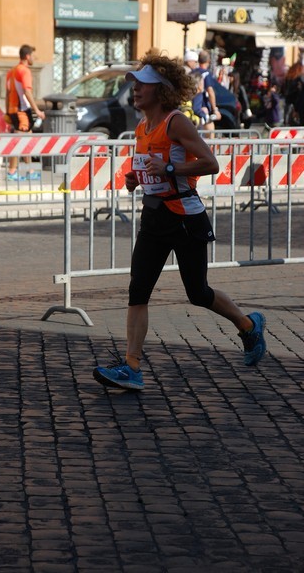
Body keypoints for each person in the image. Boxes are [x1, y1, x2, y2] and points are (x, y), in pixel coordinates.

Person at [93, 51, 266, 391]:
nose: (136, 90)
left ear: (160, 90)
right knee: (138, 289)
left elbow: (210, 163)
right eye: (135, 85)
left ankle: (248, 325)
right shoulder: (142, 127)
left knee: (198, 292)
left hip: (185, 217)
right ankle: (132, 367)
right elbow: (152, 169)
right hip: (154, 216)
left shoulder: (176, 121)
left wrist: (171, 169)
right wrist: (136, 179)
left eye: (142, 85)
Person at [5, 44, 46, 180]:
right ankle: (12, 171)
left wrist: (7, 112)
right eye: (33, 55)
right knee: (19, 141)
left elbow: (8, 92)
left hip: (15, 110)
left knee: (26, 139)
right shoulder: (24, 71)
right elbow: (27, 91)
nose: (34, 58)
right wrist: (37, 110)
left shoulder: (12, 71)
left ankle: (30, 170)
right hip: (22, 111)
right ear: (28, 56)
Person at [190, 49, 222, 134]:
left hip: (191, 108)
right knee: (209, 135)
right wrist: (215, 109)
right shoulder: (206, 74)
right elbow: (210, 91)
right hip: (202, 108)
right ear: (208, 61)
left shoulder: (192, 72)